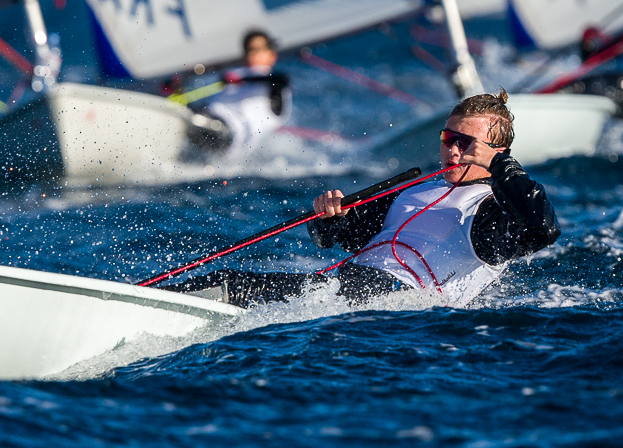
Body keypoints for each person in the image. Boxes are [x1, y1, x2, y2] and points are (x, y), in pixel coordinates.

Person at [171, 91, 559, 308]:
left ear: (497, 151)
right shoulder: (413, 191)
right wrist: (330, 219)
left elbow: (542, 228)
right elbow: (332, 239)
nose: (453, 151)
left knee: (246, 289)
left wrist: (504, 167)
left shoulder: (490, 212)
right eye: (448, 139)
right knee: (224, 282)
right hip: (340, 287)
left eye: (467, 143)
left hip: (395, 306)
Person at [195, 30, 292, 148]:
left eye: (259, 49)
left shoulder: (273, 83)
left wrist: (243, 80)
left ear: (272, 55)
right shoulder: (233, 74)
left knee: (204, 126)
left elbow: (282, 79)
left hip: (231, 135)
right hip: (209, 118)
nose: (254, 54)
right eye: (250, 50)